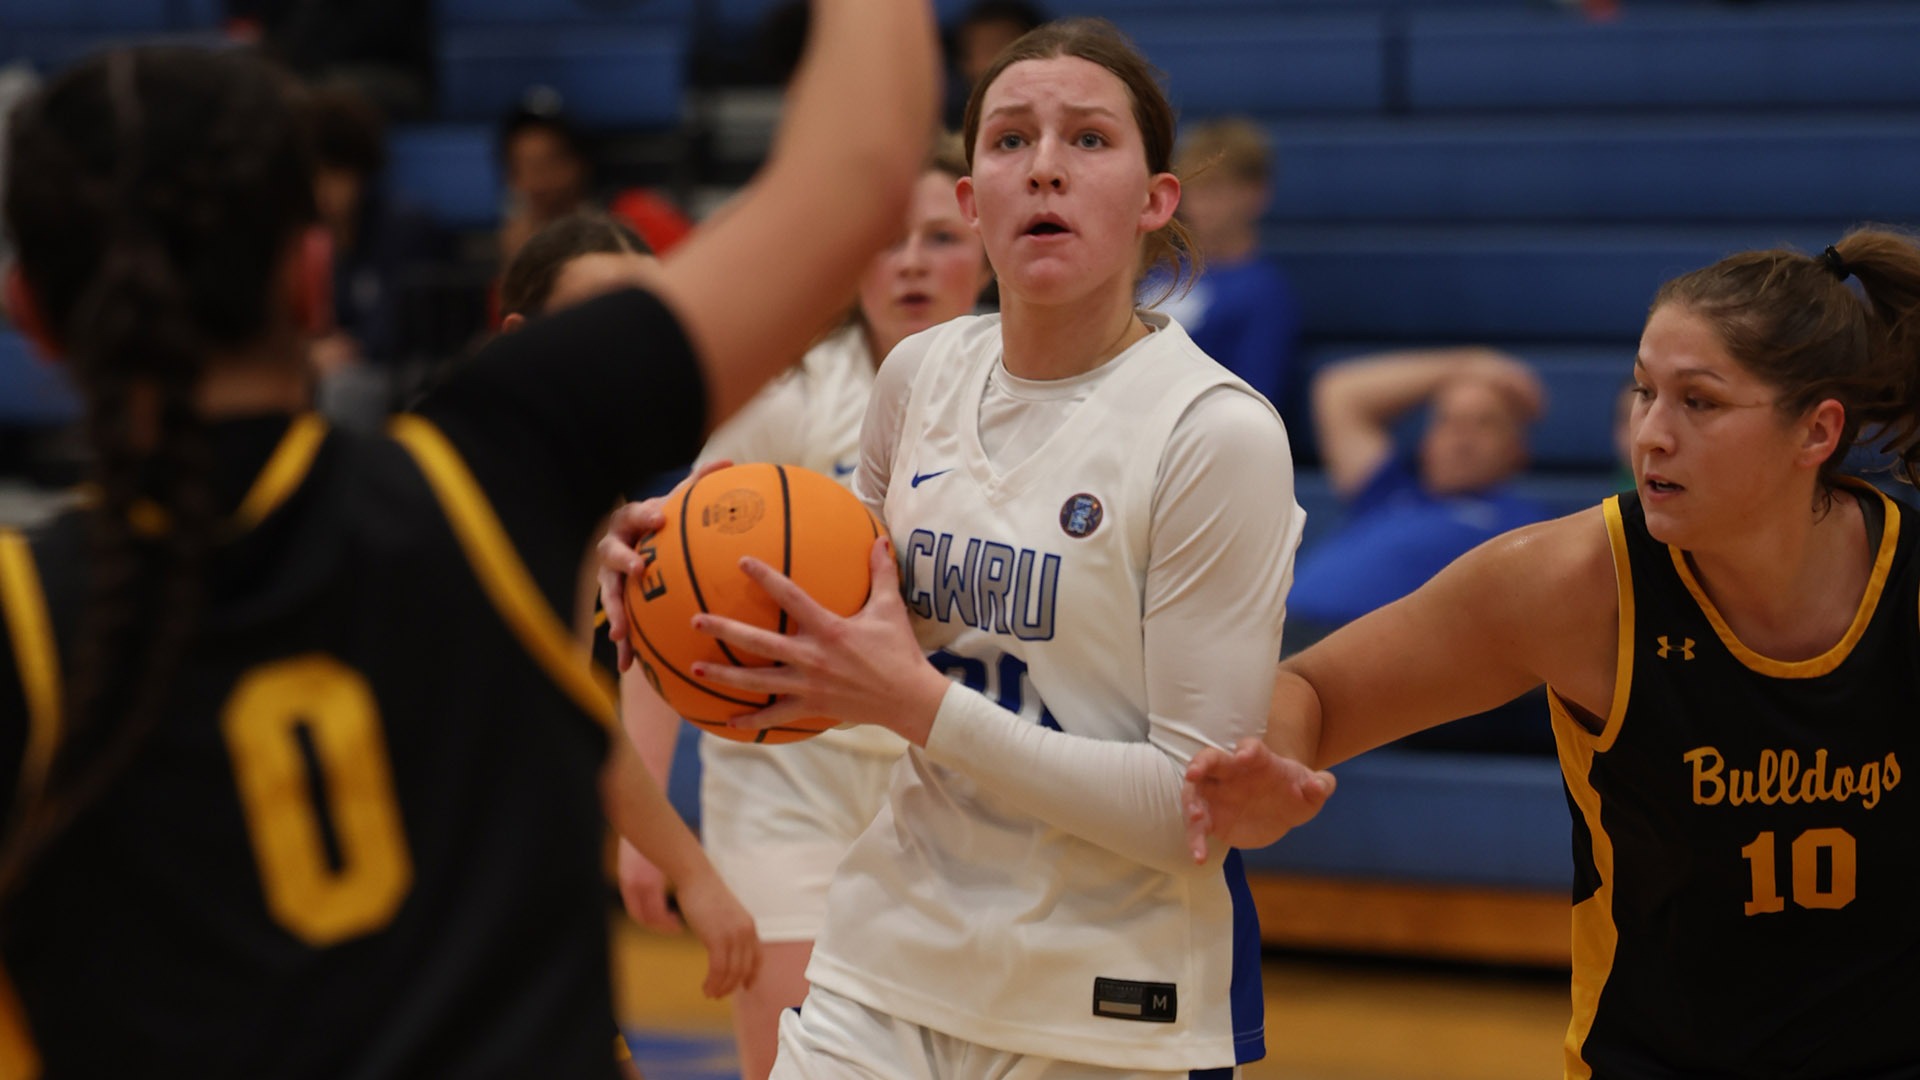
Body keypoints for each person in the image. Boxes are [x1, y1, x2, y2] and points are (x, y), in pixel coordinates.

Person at [0, 0, 939, 1072]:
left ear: (31, 315)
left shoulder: (28, 621)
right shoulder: (491, 478)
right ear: (313, 277)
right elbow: (860, 167)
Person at [601, 18, 1300, 1078]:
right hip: (889, 956)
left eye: (1090, 141)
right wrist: (659, 591)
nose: (1048, 168)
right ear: (972, 202)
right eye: (1012, 139)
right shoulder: (917, 378)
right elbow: (841, 643)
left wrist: (919, 707)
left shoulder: (1215, 434)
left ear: (1157, 201)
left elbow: (1184, 812)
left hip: (1107, 993)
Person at [1183, 229, 1920, 1078]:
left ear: (1817, 431)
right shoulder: (1572, 587)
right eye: (1643, 392)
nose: (1651, 434)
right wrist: (1276, 760)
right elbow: (1312, 687)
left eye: (1700, 402)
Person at [613, 133, 993, 1080]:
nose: (910, 261)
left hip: (956, 781)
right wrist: (645, 824)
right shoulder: (785, 396)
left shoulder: (1027, 399)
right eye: (888, 239)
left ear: (986, 246)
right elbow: (672, 598)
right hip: (790, 778)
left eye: (940, 238)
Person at [1286, 345, 1550, 635]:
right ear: (1426, 442)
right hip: (1279, 632)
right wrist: (1469, 364)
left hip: (1362, 652)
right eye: (1448, 421)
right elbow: (1337, 392)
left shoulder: (1525, 525)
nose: (1462, 438)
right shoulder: (1387, 490)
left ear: (1518, 450)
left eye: (1484, 423)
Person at [1149, 118, 1300, 412]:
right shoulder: (1153, 276)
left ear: (1255, 194)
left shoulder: (1263, 293)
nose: (1199, 203)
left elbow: (1254, 402)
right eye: (1192, 188)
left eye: (1214, 188)